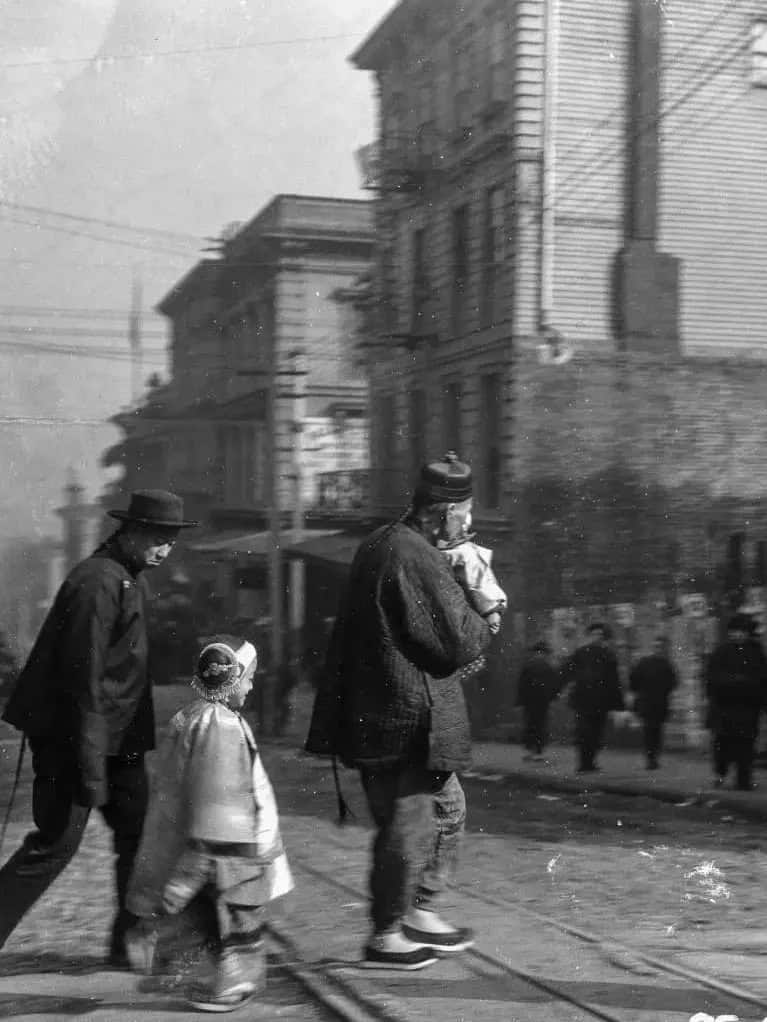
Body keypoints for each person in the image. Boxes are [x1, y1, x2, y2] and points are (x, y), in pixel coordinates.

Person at [305, 453, 493, 970]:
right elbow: (456, 641)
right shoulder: (413, 555)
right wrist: (485, 607)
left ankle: (417, 909)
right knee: (409, 823)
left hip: (388, 711)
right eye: (465, 512)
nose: (469, 523)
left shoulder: (389, 544)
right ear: (444, 511)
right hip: (405, 718)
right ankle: (387, 932)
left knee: (445, 808)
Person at [0, 489, 197, 965]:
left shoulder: (125, 578)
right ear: (128, 531)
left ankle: (129, 944)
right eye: (156, 537)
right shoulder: (97, 583)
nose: (165, 549)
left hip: (119, 742)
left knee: (140, 835)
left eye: (171, 539)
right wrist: (90, 770)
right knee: (55, 844)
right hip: (76, 738)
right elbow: (82, 680)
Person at [125, 636, 293, 1013]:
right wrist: (220, 851)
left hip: (216, 845)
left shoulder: (198, 716)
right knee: (229, 919)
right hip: (229, 851)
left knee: (212, 918)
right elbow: (220, 797)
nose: (251, 686)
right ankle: (225, 986)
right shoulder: (220, 726)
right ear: (232, 680)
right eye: (248, 678)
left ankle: (204, 975)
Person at [437, 454, 507, 642]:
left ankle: (491, 611)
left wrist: (491, 611)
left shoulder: (465, 548)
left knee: (471, 561)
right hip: (444, 548)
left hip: (451, 547)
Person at [705, 613, 767, 791]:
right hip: (725, 707)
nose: (738, 635)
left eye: (742, 631)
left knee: (746, 746)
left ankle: (743, 780)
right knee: (723, 744)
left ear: (748, 633)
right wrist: (736, 682)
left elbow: (763, 680)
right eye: (735, 631)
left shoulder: (756, 653)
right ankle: (720, 773)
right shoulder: (721, 652)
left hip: (748, 708)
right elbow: (712, 678)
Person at [561, 622, 624, 773]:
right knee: (584, 731)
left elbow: (614, 680)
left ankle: (590, 762)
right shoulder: (581, 653)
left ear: (603, 638)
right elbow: (567, 671)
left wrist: (617, 703)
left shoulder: (608, 655)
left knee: (596, 732)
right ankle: (584, 763)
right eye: (594, 635)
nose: (597, 638)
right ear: (590, 636)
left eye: (600, 635)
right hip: (584, 699)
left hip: (599, 700)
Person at [629, 636, 679, 770]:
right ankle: (652, 758)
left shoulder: (647, 663)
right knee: (653, 731)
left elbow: (633, 681)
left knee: (652, 731)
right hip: (655, 702)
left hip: (651, 702)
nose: (659, 649)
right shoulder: (665, 664)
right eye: (658, 646)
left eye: (660, 647)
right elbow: (674, 683)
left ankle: (651, 758)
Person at [516, 641, 561, 761]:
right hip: (542, 701)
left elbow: (522, 685)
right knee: (539, 725)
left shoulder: (529, 666)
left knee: (531, 725)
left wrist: (520, 701)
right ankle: (537, 751)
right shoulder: (547, 667)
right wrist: (553, 698)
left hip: (531, 702)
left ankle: (532, 750)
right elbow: (554, 685)